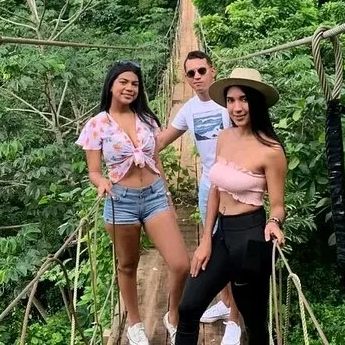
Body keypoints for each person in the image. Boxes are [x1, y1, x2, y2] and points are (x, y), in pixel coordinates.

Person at [76, 60, 189, 345]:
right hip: (121, 200)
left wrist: (167, 195)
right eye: (123, 82)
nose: (130, 88)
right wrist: (101, 182)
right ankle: (135, 324)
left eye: (135, 84)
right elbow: (93, 171)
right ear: (111, 85)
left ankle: (172, 316)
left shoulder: (147, 119)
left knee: (180, 264)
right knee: (127, 264)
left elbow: (155, 160)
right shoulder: (97, 124)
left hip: (154, 196)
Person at [175, 68, 287, 345]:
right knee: (188, 307)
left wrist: (274, 223)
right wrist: (206, 240)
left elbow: (277, 205)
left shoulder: (271, 150)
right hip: (222, 234)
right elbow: (217, 188)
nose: (237, 108)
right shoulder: (225, 137)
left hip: (252, 237)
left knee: (254, 321)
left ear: (256, 102)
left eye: (244, 99)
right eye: (231, 100)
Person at [157, 51, 243, 345]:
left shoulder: (228, 102)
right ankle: (226, 303)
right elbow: (161, 140)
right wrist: (125, 144)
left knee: (234, 250)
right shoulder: (188, 109)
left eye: (201, 71)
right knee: (217, 248)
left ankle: (235, 321)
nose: (196, 77)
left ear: (212, 70)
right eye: (190, 73)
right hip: (208, 187)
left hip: (235, 185)